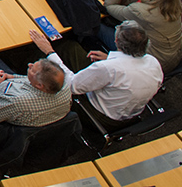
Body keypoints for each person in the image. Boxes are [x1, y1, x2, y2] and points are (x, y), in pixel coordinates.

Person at [30, 21, 162, 129]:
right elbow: (128, 71)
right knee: (71, 48)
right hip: (129, 110)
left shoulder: (108, 68)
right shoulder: (153, 61)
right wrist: (109, 59)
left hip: (101, 115)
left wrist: (49, 51)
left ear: (116, 41)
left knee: (47, 69)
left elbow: (72, 85)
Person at [102, 0, 182, 73]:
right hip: (173, 56)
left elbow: (108, 6)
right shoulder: (170, 2)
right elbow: (130, 1)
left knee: (99, 24)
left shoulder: (142, 12)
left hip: (154, 63)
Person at [0, 56, 71, 128]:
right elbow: (29, 80)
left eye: (32, 69)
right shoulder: (63, 87)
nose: (29, 64)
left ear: (39, 85)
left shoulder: (18, 102)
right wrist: (11, 77)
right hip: (12, 89)